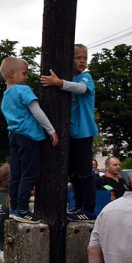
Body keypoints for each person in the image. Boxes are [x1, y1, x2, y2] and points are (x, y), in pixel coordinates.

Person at [41, 43, 99, 221]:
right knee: (73, 172)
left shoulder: (85, 78)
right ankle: (78, 205)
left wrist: (58, 82)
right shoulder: (70, 79)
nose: (82, 61)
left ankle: (88, 207)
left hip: (83, 132)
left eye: (85, 58)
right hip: (71, 134)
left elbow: (81, 89)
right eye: (78, 58)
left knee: (84, 171)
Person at [0, 56, 59, 223]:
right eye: (24, 74)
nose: (26, 77)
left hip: (14, 136)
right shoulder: (23, 90)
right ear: (12, 73)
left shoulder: (5, 96)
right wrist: (51, 130)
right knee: (30, 173)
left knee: (15, 174)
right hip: (29, 136)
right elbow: (37, 111)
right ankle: (24, 210)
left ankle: (14, 208)